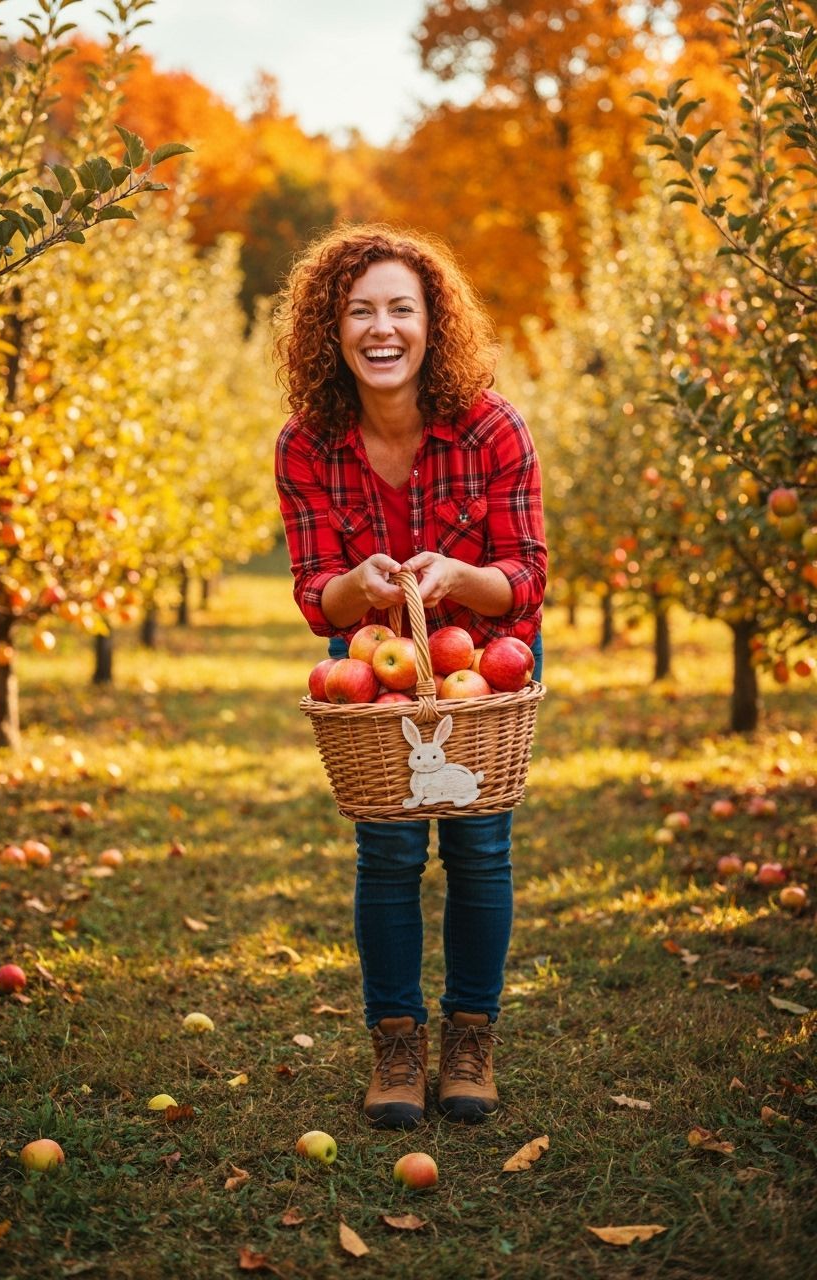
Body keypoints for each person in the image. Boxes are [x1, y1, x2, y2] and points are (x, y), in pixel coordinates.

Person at [274, 225, 547, 1129]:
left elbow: (528, 578)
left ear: (434, 323)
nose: (381, 328)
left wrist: (458, 581)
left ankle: (472, 1036)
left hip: (482, 664)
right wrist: (354, 589)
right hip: (374, 673)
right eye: (360, 312)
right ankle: (397, 1041)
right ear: (331, 329)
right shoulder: (307, 444)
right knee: (388, 850)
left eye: (401, 308)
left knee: (479, 849)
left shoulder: (492, 428)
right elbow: (319, 597)